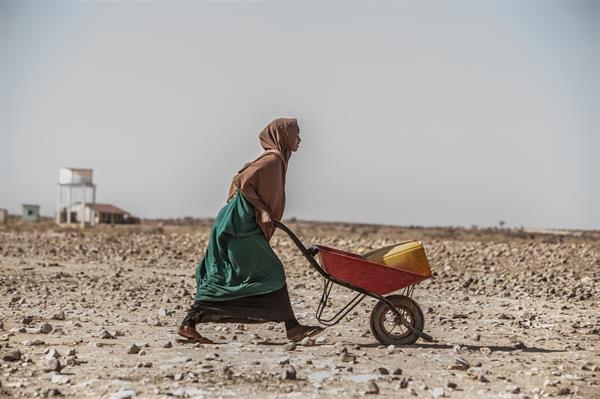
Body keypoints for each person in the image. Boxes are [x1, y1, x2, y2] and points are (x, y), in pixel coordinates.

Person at [177, 118, 323, 343]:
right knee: (270, 270)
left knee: (243, 274)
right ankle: (190, 321)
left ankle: (292, 327)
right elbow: (242, 180)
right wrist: (263, 210)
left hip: (240, 224)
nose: (300, 139)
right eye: (296, 133)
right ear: (283, 135)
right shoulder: (273, 158)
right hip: (238, 226)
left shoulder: (277, 159)